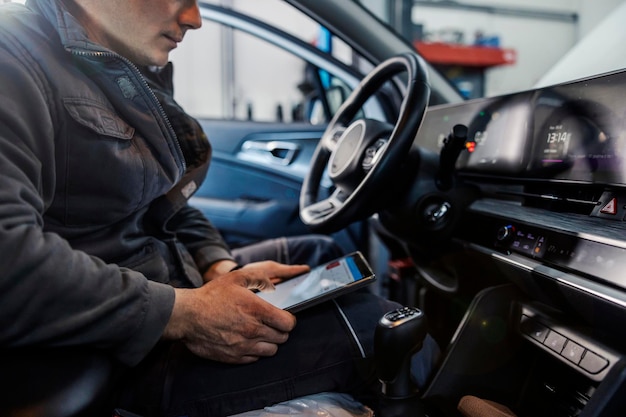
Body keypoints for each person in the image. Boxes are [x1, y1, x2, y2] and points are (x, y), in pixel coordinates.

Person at [0, 1, 439, 416]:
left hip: (166, 287)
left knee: (316, 257)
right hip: (116, 351)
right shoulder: (13, 59)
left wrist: (218, 268)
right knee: (382, 329)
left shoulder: (116, 65)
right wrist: (185, 313)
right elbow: (9, 259)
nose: (195, 18)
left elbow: (168, 200)